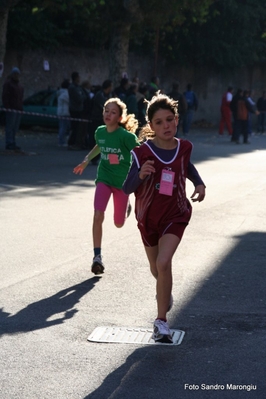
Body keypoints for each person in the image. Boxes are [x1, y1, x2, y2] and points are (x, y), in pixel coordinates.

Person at [123, 93, 206, 343]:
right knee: (156, 268)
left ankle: (161, 323)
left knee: (163, 261)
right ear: (150, 126)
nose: (165, 125)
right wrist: (141, 175)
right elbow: (127, 187)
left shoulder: (184, 147)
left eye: (169, 120)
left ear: (177, 120)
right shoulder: (141, 153)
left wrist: (199, 183)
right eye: (159, 122)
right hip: (148, 218)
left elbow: (187, 165)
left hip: (176, 213)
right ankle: (164, 291)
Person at [73, 97, 139, 275]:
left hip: (122, 183)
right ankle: (97, 257)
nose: (108, 114)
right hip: (104, 178)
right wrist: (86, 161)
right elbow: (100, 146)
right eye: (106, 110)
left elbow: (141, 152)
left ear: (119, 118)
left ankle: (126, 206)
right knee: (97, 215)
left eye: (113, 112)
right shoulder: (100, 132)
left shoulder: (126, 137)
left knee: (118, 223)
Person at [89, 79, 113, 164]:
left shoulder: (108, 95)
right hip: (97, 119)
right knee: (98, 140)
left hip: (106, 121)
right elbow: (104, 107)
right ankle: (94, 158)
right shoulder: (100, 95)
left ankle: (112, 160)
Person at [2, 67, 24, 150]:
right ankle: (9, 142)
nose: (16, 75)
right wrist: (7, 106)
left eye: (17, 74)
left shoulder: (20, 86)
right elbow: (5, 96)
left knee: (15, 127)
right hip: (11, 108)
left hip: (18, 108)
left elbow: (21, 98)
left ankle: (13, 142)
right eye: (15, 74)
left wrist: (21, 108)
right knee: (10, 127)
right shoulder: (8, 84)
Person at [67, 71, 87, 150]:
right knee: (75, 127)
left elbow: (84, 95)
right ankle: (71, 142)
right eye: (78, 77)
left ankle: (75, 142)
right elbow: (79, 98)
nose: (79, 79)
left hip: (79, 109)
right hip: (75, 109)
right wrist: (82, 97)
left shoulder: (78, 87)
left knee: (79, 127)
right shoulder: (72, 88)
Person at [57, 79, 70, 147]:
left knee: (63, 127)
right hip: (64, 112)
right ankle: (61, 141)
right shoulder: (65, 94)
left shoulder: (60, 92)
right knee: (63, 127)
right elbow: (69, 100)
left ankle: (61, 139)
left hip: (61, 112)